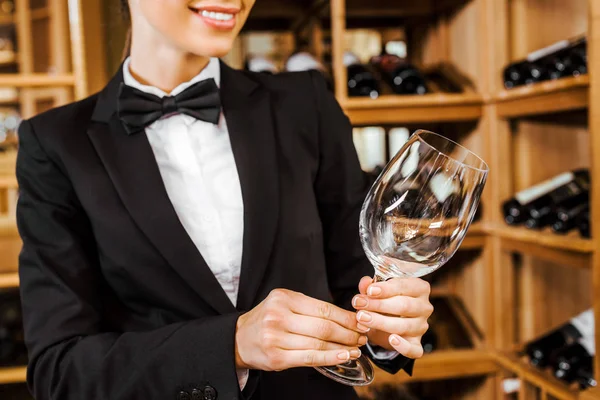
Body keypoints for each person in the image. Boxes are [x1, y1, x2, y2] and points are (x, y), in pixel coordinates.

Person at [15, 0, 433, 399]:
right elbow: (60, 372)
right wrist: (230, 345)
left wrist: (386, 328)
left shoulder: (306, 103)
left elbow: (355, 283)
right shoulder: (55, 145)